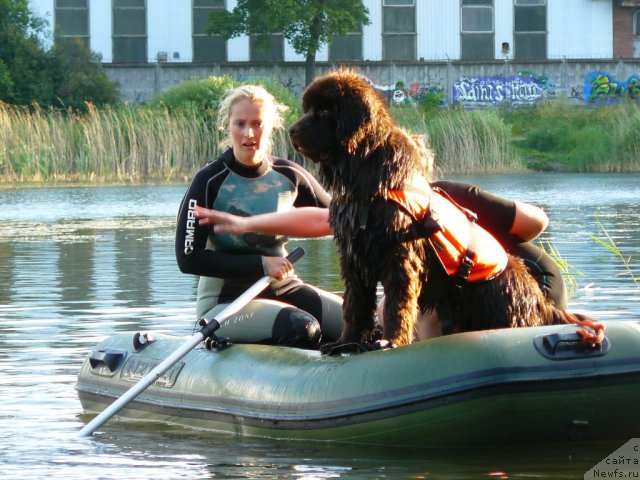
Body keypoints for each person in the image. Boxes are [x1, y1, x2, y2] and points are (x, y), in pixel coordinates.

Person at [196, 182, 568, 341]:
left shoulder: (447, 198)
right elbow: (323, 219)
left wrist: (490, 245)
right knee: (405, 308)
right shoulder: (386, 210)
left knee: (425, 312)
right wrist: (245, 225)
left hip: (530, 281)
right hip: (474, 284)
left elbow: (535, 221)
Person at [175, 84, 343, 349]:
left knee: (362, 323)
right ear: (228, 126)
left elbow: (341, 219)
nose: (248, 134)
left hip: (284, 288)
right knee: (302, 327)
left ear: (271, 127)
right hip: (225, 304)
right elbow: (188, 259)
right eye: (240, 124)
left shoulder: (290, 175)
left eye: (257, 124)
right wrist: (261, 264)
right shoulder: (208, 181)